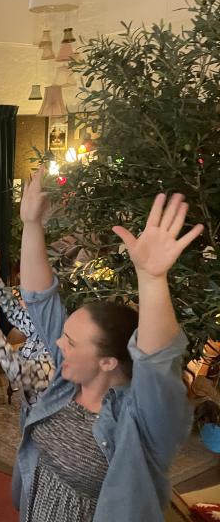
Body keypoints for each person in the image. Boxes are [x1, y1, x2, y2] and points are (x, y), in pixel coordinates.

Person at [13, 168, 200, 521]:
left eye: (70, 341)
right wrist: (31, 224)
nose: (57, 343)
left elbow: (158, 361)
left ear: (108, 362)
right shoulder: (66, 384)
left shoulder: (141, 421)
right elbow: (39, 299)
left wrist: (152, 278)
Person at [0, 247, 54, 410]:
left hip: (49, 425)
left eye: (28, 292)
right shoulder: (39, 324)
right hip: (32, 416)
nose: (20, 299)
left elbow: (21, 374)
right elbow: (17, 314)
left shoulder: (56, 343)